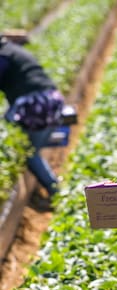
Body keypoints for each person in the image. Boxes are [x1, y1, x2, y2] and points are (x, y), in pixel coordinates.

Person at [0, 34, 65, 209]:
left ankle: (56, 193)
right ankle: (56, 191)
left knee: (29, 151)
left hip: (35, 104)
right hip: (52, 100)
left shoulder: (3, 56)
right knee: (30, 149)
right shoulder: (12, 49)